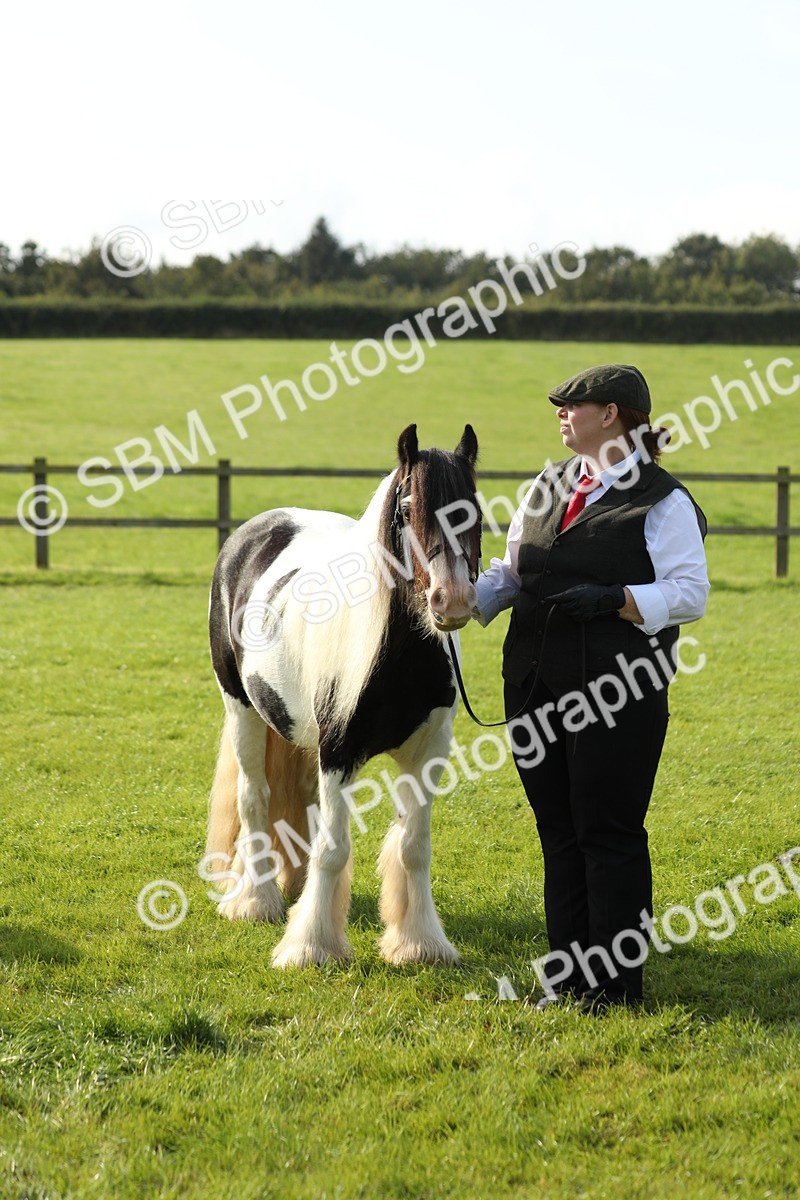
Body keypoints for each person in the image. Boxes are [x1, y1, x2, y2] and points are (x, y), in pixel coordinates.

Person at [472, 363, 709, 1013]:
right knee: (560, 833)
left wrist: (618, 600)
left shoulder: (663, 500)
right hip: (531, 684)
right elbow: (514, 569)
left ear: (612, 415)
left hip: (618, 692)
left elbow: (690, 593)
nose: (560, 414)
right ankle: (568, 977)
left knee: (608, 834)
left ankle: (615, 990)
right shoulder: (546, 485)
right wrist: (464, 602)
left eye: (572, 404)